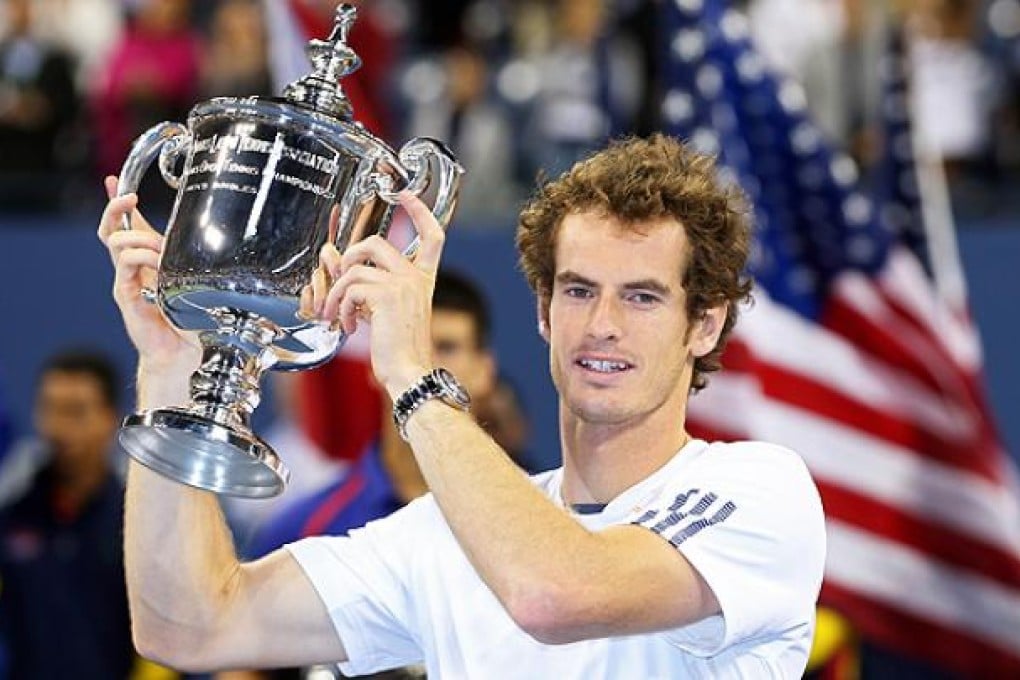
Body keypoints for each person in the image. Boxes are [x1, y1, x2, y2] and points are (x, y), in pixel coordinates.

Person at [97, 133, 826, 677]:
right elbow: (187, 625)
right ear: (543, 310)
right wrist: (170, 368)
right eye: (577, 290)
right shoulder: (446, 536)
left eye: (642, 296)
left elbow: (554, 593)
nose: (602, 324)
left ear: (705, 322)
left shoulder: (760, 491)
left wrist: (415, 373)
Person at [0, 351, 134, 679]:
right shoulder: (13, 513)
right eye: (50, 409)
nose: (59, 427)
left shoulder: (139, 526)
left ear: (109, 417)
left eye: (75, 412)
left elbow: (167, 641)